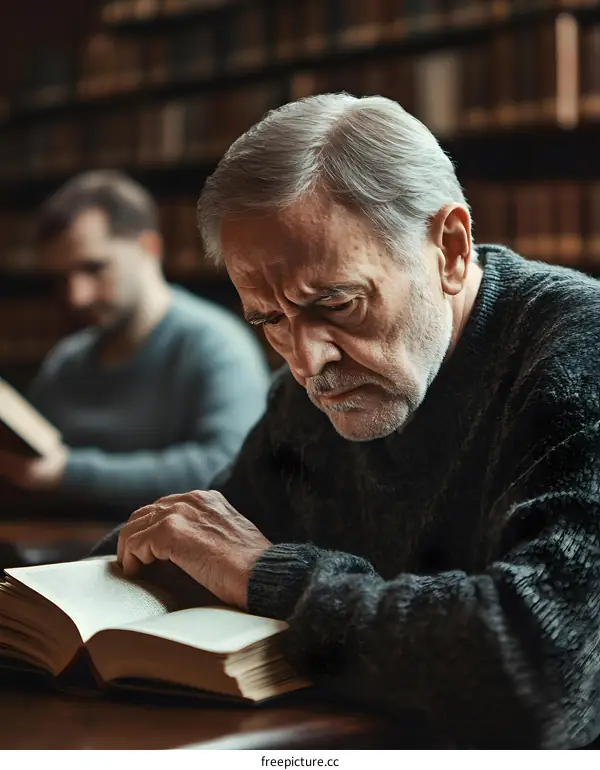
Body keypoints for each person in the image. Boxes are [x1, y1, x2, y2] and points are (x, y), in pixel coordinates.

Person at [98, 96, 600, 748]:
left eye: (336, 304)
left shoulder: (583, 355)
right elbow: (202, 542)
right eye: (270, 319)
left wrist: (266, 575)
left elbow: (543, 675)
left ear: (450, 250)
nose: (307, 365)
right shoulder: (305, 397)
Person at [0, 170, 271, 519]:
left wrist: (70, 471)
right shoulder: (67, 360)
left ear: (149, 248)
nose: (76, 296)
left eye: (94, 268)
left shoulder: (216, 344)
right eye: (62, 278)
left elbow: (225, 466)